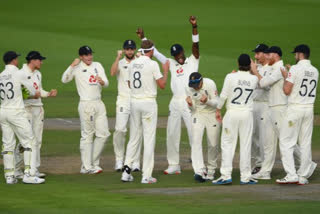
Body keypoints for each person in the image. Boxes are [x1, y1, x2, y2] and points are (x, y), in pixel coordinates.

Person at [136, 15, 200, 175]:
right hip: (175, 102)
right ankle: (174, 164)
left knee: (194, 133)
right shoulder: (170, 63)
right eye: (174, 55)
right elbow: (154, 53)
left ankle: (198, 165)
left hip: (190, 100)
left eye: (179, 53)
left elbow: (196, 45)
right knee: (171, 133)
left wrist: (194, 27)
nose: (177, 56)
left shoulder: (193, 60)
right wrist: (143, 37)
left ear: (182, 52)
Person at [250, 46, 305, 178]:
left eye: (269, 55)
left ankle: (306, 163)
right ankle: (265, 171)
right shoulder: (272, 68)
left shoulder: (280, 69)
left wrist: (254, 71)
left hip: (279, 108)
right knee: (268, 142)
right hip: (271, 108)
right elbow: (263, 84)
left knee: (285, 140)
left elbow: (263, 84)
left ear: (276, 55)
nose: (267, 57)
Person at [121, 40, 169, 184]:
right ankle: (146, 176)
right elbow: (162, 85)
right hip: (148, 103)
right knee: (148, 139)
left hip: (134, 102)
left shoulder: (133, 63)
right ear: (152, 51)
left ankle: (126, 172)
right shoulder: (153, 64)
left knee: (134, 138)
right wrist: (165, 71)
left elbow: (129, 83)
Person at [61, 46, 110, 174]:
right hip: (86, 104)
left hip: (99, 103)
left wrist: (103, 82)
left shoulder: (98, 65)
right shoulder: (77, 68)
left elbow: (107, 82)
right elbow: (64, 80)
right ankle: (86, 167)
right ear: (81, 57)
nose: (89, 57)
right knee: (87, 135)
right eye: (86, 55)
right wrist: (71, 66)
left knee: (104, 134)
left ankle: (92, 163)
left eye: (90, 54)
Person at [213, 54, 258, 185]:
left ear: (238, 63)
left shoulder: (230, 77)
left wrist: (218, 109)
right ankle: (245, 177)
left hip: (232, 113)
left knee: (227, 144)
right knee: (246, 145)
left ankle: (226, 175)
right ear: (250, 65)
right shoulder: (254, 79)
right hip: (247, 114)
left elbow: (223, 95)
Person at [0, 51, 44, 184]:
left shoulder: (1, 75)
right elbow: (31, 91)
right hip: (16, 112)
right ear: (14, 60)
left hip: (3, 111)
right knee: (29, 141)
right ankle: (29, 175)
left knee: (8, 144)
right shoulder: (18, 73)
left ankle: (9, 176)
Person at [277, 44, 318, 185]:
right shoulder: (315, 71)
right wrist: (290, 75)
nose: (294, 56)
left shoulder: (295, 69)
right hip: (309, 108)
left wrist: (286, 77)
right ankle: (303, 175)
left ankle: (291, 174)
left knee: (286, 141)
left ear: (300, 54)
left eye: (295, 54)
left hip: (295, 109)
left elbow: (287, 90)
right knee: (305, 142)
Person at [14, 51, 57, 179]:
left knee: (37, 140)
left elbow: (39, 90)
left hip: (38, 109)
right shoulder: (20, 74)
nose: (41, 62)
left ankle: (34, 168)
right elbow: (16, 93)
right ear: (32, 60)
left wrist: (48, 94)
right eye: (39, 60)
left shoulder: (38, 74)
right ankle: (16, 168)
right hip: (25, 109)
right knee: (25, 140)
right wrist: (32, 96)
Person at [110, 40, 142, 172]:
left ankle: (135, 162)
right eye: (127, 49)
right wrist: (118, 57)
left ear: (134, 50)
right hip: (123, 100)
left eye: (132, 49)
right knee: (120, 129)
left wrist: (142, 59)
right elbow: (112, 73)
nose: (130, 51)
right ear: (124, 50)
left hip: (136, 100)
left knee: (136, 131)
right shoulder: (121, 62)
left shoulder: (139, 62)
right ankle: (119, 160)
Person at [185, 72, 220, 182]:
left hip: (211, 114)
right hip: (198, 114)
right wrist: (190, 105)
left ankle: (211, 170)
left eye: (197, 85)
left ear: (201, 81)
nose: (195, 88)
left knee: (213, 144)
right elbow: (193, 109)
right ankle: (199, 170)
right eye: (193, 85)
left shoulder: (210, 84)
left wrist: (207, 101)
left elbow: (217, 103)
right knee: (196, 141)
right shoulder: (189, 88)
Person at [250, 44, 277, 179]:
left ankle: (264, 167)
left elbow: (266, 87)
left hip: (266, 105)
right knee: (254, 137)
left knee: (265, 138)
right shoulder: (257, 67)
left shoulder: (272, 69)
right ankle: (258, 164)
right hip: (254, 104)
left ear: (265, 54)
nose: (255, 56)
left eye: (258, 53)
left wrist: (255, 72)